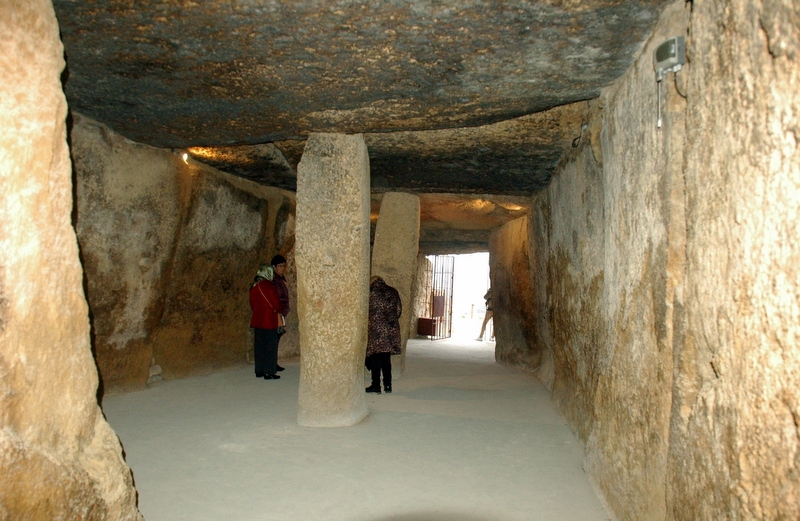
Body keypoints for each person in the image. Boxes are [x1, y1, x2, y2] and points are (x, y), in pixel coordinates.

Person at [365, 276, 402, 394]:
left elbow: (364, 311)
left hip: (376, 330)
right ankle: (388, 385)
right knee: (386, 359)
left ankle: (376, 385)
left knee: (375, 358)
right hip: (390, 330)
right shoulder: (393, 291)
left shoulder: (370, 292)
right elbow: (398, 310)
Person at [249, 263, 283, 380]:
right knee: (270, 347)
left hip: (257, 320)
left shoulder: (254, 286)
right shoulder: (269, 286)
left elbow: (252, 305)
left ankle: (259, 370)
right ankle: (269, 371)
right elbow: (277, 304)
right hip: (269, 320)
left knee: (259, 346)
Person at [270, 254, 290, 372]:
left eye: (283, 266)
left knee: (276, 338)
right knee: (274, 339)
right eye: (280, 266)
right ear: (274, 267)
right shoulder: (274, 280)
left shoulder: (281, 279)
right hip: (276, 313)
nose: (282, 268)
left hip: (281, 312)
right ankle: (272, 364)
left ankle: (273, 363)